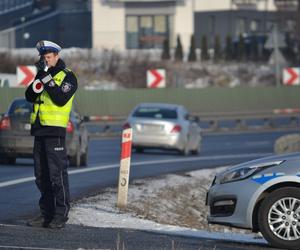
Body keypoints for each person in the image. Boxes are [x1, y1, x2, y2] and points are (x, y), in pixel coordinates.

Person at [25, 40, 78, 229]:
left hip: (55, 130)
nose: (45, 61)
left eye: (48, 57)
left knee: (57, 175)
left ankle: (60, 214)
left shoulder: (68, 77)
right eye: (43, 58)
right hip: (39, 129)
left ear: (57, 56)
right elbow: (29, 96)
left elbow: (60, 98)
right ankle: (45, 213)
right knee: (41, 176)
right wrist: (40, 75)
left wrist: (46, 76)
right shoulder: (43, 74)